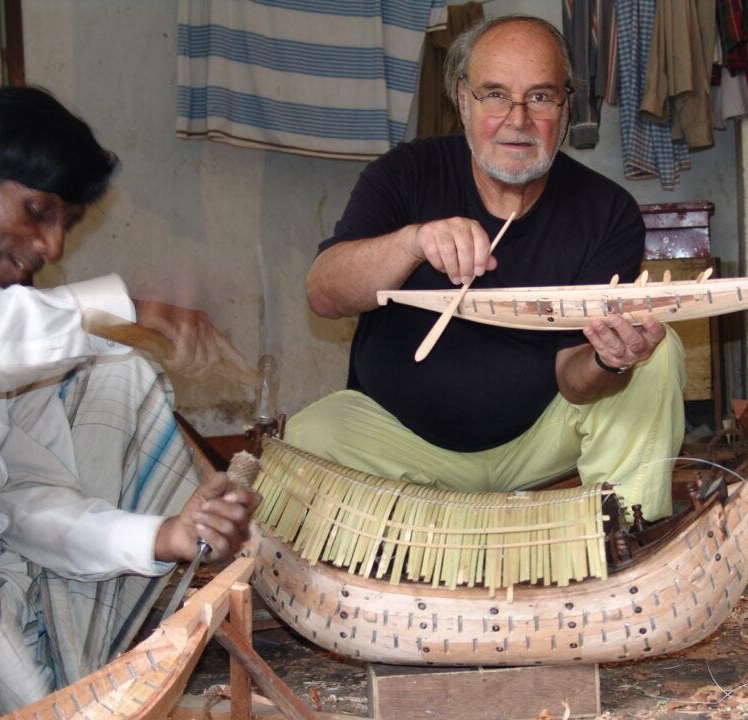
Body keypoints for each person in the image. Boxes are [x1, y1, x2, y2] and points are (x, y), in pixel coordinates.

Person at [286, 15, 686, 521]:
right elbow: (324, 294)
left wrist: (611, 359)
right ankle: (440, 530)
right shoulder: (404, 174)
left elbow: (574, 377)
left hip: (535, 444)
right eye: (494, 94)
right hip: (402, 445)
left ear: (565, 106)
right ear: (462, 99)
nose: (517, 120)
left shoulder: (606, 211)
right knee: (310, 437)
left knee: (657, 354)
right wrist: (411, 242)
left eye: (540, 97)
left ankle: (624, 537)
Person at [0, 85, 260, 720]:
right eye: (36, 210)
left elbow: (20, 502)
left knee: (119, 370)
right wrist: (128, 310)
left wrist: (162, 535)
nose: (53, 247)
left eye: (65, 224)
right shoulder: (4, 331)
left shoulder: (17, 335)